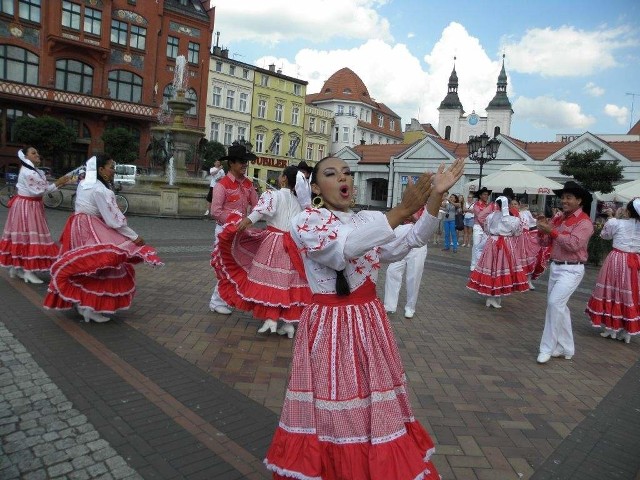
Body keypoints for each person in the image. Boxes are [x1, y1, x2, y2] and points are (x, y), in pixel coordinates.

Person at [263, 155, 465, 480]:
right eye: (330, 173)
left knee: (372, 402)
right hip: (331, 324)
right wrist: (399, 211)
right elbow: (340, 253)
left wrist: (435, 196)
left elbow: (410, 240)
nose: (342, 178)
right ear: (315, 187)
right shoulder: (306, 223)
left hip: (368, 322)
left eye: (346, 172)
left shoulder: (366, 219)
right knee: (333, 402)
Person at [43, 155, 163, 323]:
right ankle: (89, 307)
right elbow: (113, 220)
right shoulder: (100, 189)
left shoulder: (84, 183)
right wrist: (134, 237)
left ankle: (84, 304)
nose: (114, 170)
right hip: (91, 226)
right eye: (111, 167)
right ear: (100, 169)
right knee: (102, 265)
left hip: (76, 225)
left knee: (86, 266)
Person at [211, 165, 310, 338]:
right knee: (287, 282)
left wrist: (241, 226)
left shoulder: (273, 195)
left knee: (270, 281)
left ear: (285, 179)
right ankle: (288, 324)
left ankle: (271, 318)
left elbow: (259, 213)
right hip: (292, 245)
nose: (279, 177)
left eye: (281, 175)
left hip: (273, 243)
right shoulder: (298, 202)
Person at [536, 181, 594, 364]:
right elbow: (545, 243)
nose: (564, 200)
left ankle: (547, 348)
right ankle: (566, 347)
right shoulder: (560, 218)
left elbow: (573, 244)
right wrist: (542, 229)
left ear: (579, 200)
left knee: (554, 304)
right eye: (563, 197)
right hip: (556, 266)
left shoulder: (585, 222)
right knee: (559, 307)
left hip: (572, 269)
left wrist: (551, 231)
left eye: (568, 197)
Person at [0, 147, 71, 283]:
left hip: (25, 205)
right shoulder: (29, 172)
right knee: (31, 238)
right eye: (33, 153)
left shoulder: (31, 170)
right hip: (28, 206)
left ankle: (16, 268)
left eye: (37, 152)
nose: (37, 154)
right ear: (26, 158)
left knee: (21, 236)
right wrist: (59, 182)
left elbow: (41, 188)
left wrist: (60, 182)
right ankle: (27, 271)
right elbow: (40, 191)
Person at [209, 142, 259, 315]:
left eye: (246, 161)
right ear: (231, 163)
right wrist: (234, 222)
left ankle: (227, 298)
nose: (244, 164)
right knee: (226, 266)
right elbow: (215, 211)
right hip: (224, 232)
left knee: (240, 266)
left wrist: (253, 218)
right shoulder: (221, 184)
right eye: (241, 161)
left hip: (241, 232)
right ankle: (216, 301)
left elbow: (257, 206)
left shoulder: (248, 184)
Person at [586, 198, 640, 344]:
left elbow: (605, 236)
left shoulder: (616, 222)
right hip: (635, 261)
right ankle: (626, 331)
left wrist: (612, 218)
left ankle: (611, 328)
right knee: (630, 294)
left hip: (617, 259)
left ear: (628, 211)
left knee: (613, 291)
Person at [467, 196, 528, 308]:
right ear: (507, 205)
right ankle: (493, 297)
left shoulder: (491, 216)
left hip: (492, 243)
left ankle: (493, 297)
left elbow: (486, 228)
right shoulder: (513, 219)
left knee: (492, 269)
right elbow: (517, 232)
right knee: (499, 270)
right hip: (504, 244)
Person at [383, 207, 428, 319]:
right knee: (392, 271)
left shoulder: (427, 208)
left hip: (418, 245)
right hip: (401, 239)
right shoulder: (407, 204)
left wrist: (414, 218)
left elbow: (427, 227)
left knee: (413, 276)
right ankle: (389, 305)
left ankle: (410, 307)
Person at [470, 187, 492, 270]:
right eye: (484, 194)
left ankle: (480, 264)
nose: (486, 196)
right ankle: (473, 264)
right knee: (476, 245)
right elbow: (479, 217)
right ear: (480, 195)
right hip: (478, 226)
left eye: (487, 194)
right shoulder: (476, 205)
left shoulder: (488, 205)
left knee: (483, 247)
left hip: (486, 228)